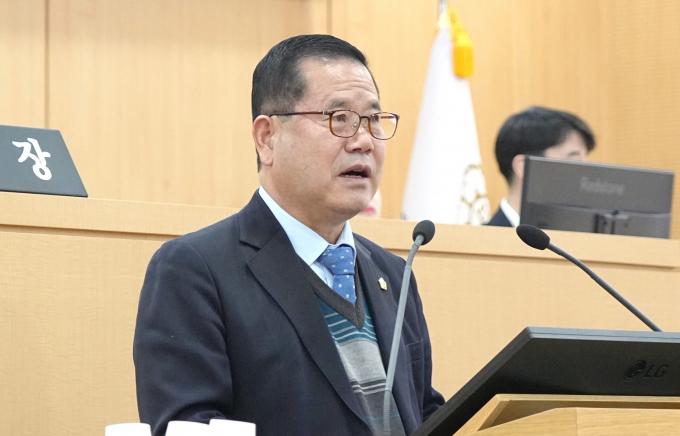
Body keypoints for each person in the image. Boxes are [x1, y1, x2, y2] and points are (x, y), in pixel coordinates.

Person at [133, 34, 444, 436]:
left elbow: (424, 412)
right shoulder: (195, 270)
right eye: (339, 118)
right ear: (267, 138)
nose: (364, 141)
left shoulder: (394, 275)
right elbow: (189, 425)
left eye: (372, 120)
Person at [486, 106, 596, 227]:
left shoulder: (582, 235)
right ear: (524, 167)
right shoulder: (481, 238)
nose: (586, 174)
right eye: (574, 161)